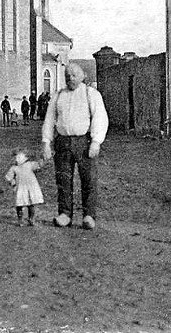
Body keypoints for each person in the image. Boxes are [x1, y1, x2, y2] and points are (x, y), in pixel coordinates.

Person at [42, 63, 109, 230]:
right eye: (67, 75)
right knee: (63, 179)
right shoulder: (58, 96)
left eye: (73, 75)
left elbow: (100, 117)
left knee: (89, 179)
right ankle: (65, 214)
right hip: (63, 142)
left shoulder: (90, 94)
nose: (70, 78)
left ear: (82, 76)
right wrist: (46, 142)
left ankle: (88, 215)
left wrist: (96, 141)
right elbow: (49, 119)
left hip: (84, 142)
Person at [4, 148, 44, 227]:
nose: (16, 159)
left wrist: (42, 158)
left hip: (31, 188)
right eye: (15, 158)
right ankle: (20, 220)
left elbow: (39, 166)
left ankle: (31, 219)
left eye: (19, 157)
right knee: (19, 204)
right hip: (21, 188)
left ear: (25, 157)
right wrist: (12, 181)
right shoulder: (14, 168)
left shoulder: (30, 164)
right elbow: (8, 177)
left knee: (31, 204)